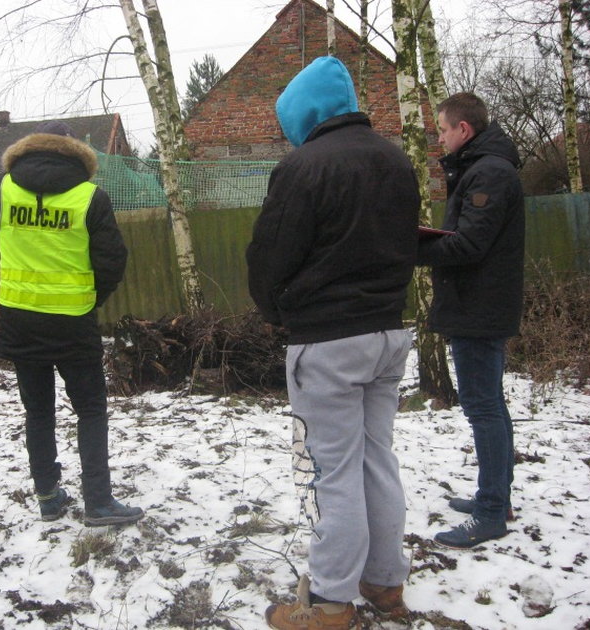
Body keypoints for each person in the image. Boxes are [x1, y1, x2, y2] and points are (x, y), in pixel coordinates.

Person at [246, 56, 420, 630]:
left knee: (331, 471)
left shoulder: (302, 168)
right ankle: (384, 581)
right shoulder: (397, 159)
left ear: (303, 114)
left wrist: (278, 313)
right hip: (389, 335)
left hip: (328, 343)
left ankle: (327, 602)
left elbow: (270, 259)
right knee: (376, 461)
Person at [0, 121, 143, 527]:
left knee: (38, 412)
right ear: (73, 152)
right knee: (90, 410)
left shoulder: (5, 189)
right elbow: (112, 262)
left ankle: (48, 497)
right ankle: (98, 502)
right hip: (73, 323)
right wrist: (87, 299)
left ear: (29, 151)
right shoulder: (91, 197)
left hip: (21, 320)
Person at [418, 92, 524, 549]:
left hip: (479, 309)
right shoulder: (484, 169)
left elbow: (469, 245)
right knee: (491, 405)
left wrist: (412, 247)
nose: (439, 138)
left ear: (464, 130)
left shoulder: (490, 173)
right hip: (478, 305)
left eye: (442, 129)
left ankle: (490, 513)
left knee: (483, 408)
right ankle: (496, 498)